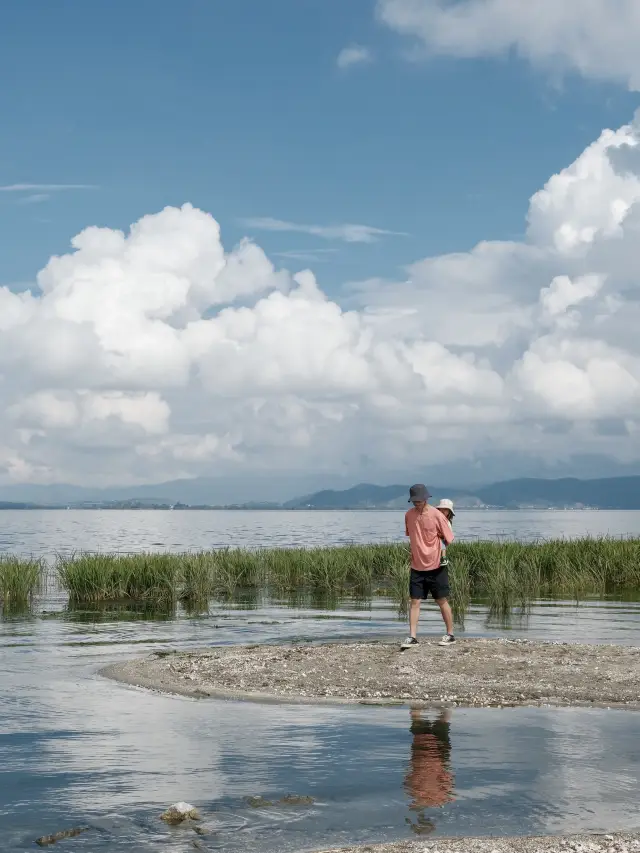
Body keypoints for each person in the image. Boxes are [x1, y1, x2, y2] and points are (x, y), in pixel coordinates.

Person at [401, 484, 455, 648]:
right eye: (414, 500)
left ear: (425, 498)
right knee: (415, 601)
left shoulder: (437, 516)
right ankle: (412, 637)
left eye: (419, 500)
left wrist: (440, 550)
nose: (416, 503)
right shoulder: (408, 515)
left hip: (436, 565)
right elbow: (412, 535)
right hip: (416, 566)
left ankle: (450, 634)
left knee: (441, 600)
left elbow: (449, 538)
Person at [403, 708, 455, 833]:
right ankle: (419, 705)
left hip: (438, 756)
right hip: (421, 755)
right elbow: (408, 777)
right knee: (418, 718)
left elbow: (447, 780)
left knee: (443, 721)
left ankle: (444, 707)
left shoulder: (440, 798)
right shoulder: (414, 796)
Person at [435, 499, 455, 568]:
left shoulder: (447, 522)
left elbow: (449, 535)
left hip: (443, 539)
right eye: (442, 509)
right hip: (435, 539)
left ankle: (443, 558)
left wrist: (441, 535)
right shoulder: (435, 519)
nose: (443, 511)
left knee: (441, 542)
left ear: (449, 512)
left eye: (446, 509)